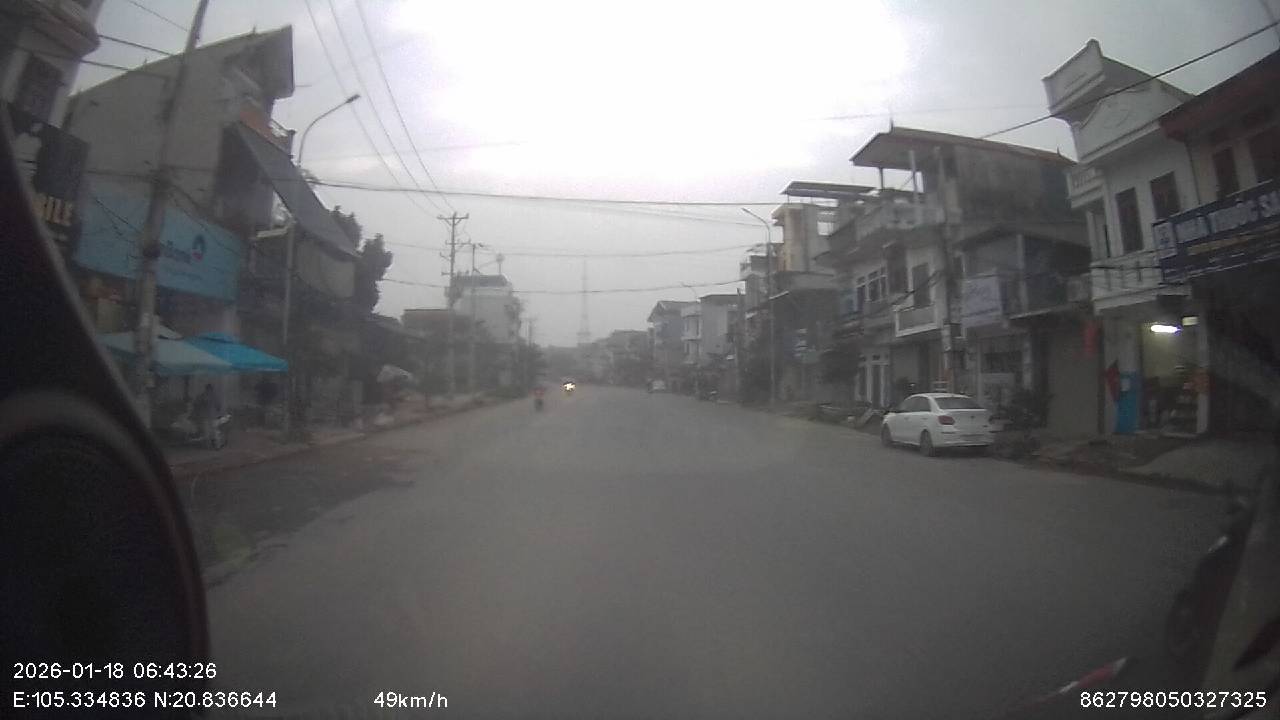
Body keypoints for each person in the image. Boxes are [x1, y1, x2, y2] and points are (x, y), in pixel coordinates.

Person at [192, 383, 222, 448]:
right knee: (214, 431)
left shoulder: (202, 396)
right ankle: (216, 446)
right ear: (211, 389)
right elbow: (219, 406)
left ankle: (209, 445)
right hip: (212, 416)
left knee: (207, 432)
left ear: (206, 389)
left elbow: (196, 404)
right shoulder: (214, 396)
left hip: (206, 416)